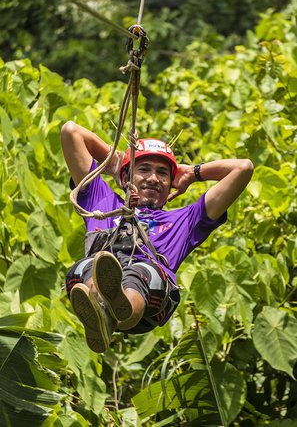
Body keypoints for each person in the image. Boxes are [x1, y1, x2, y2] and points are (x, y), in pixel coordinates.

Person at [61, 121, 253, 353]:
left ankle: (119, 307)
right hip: (96, 275)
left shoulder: (185, 221)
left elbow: (243, 168)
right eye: (144, 169)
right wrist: (115, 164)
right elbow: (71, 131)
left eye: (162, 173)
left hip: (151, 299)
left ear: (170, 183)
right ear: (126, 176)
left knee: (142, 273)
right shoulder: (102, 201)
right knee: (89, 265)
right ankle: (100, 312)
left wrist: (192, 173)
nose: (153, 178)